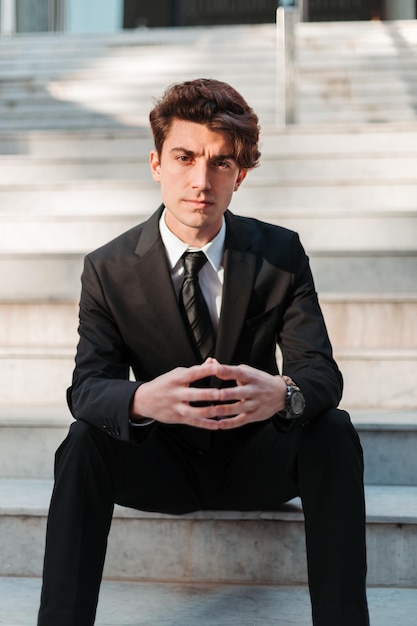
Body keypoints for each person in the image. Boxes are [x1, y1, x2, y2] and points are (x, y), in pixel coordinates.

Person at [37, 78, 369, 626]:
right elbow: (88, 388)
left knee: (332, 429)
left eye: (220, 163)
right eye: (185, 157)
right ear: (156, 163)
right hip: (161, 464)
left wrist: (282, 395)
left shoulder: (280, 253)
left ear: (240, 175)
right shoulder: (108, 267)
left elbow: (320, 374)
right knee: (82, 441)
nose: (201, 179)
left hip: (255, 464)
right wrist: (143, 400)